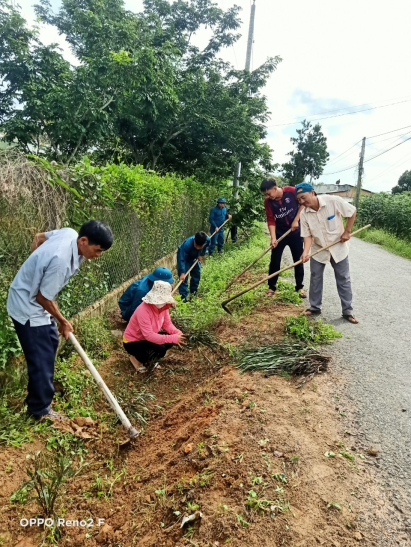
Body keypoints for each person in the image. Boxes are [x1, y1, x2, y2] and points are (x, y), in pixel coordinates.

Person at [7, 220, 114, 421]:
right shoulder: (61, 262)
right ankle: (39, 410)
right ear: (83, 240)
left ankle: (36, 394)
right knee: (41, 358)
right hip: (27, 306)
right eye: (97, 250)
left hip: (36, 301)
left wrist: (35, 266)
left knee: (50, 343)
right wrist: (63, 321)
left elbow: (38, 237)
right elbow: (43, 297)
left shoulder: (68, 233)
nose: (98, 256)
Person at [295, 182, 359, 324]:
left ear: (312, 192)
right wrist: (305, 252)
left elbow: (352, 211)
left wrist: (347, 231)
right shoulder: (304, 214)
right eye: (299, 199)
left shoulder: (332, 201)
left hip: (338, 247)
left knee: (343, 278)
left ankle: (347, 310)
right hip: (318, 249)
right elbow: (307, 235)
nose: (302, 202)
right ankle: (315, 307)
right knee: (315, 277)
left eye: (304, 197)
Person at [123, 280, 185, 372]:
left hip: (145, 339)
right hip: (133, 342)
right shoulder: (143, 310)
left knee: (169, 341)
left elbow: (167, 324)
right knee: (161, 349)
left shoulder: (164, 307)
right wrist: (172, 338)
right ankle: (136, 359)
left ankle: (150, 358)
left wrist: (178, 333)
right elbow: (149, 335)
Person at [260, 178, 306, 298]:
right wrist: (273, 238)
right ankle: (271, 287)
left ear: (275, 189)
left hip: (295, 232)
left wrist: (296, 220)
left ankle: (300, 287)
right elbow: (270, 220)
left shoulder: (291, 191)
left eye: (268, 193)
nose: (268, 196)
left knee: (298, 259)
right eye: (266, 195)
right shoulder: (268, 202)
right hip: (280, 233)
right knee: (275, 260)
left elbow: (303, 204)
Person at [177, 231, 210, 302]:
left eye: (200, 246)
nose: (198, 248)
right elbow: (181, 259)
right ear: (194, 240)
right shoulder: (186, 245)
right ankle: (184, 300)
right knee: (183, 280)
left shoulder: (207, 239)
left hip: (194, 258)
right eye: (196, 245)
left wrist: (201, 254)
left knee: (196, 274)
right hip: (185, 259)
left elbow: (206, 247)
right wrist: (182, 272)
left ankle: (193, 294)